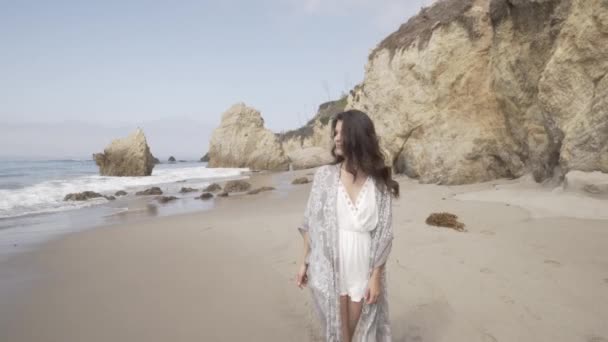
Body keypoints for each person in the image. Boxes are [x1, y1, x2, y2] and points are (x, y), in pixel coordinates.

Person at [296, 109, 399, 342]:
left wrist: (375, 277)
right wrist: (304, 262)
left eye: (342, 132)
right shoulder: (324, 176)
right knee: (339, 333)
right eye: (335, 132)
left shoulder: (379, 183)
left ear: (359, 136)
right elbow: (309, 223)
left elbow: (384, 234)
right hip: (330, 265)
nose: (336, 138)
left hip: (363, 266)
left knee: (360, 330)